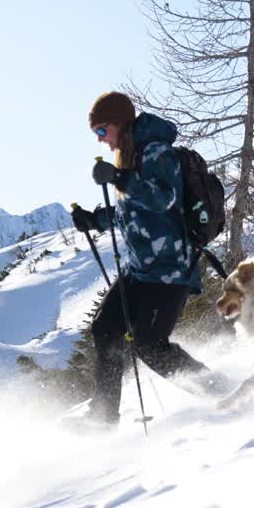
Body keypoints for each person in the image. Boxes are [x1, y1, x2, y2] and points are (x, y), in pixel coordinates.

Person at [69, 91, 226, 430]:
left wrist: (119, 178)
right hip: (141, 268)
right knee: (106, 329)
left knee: (150, 345)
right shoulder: (133, 156)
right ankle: (103, 416)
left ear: (120, 124)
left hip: (169, 269)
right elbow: (133, 211)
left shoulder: (156, 150)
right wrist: (94, 221)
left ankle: (223, 394)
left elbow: (162, 198)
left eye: (101, 131)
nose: (102, 141)